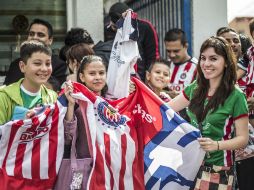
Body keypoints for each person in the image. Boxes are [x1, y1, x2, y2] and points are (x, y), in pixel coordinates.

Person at [168, 36, 249, 189]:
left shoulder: (236, 96)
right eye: (203, 58)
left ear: (226, 62)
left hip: (218, 169)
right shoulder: (195, 88)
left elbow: (243, 139)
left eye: (213, 59)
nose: (206, 64)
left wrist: (217, 145)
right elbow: (166, 109)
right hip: (190, 164)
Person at [0, 40, 58, 124]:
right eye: (37, 63)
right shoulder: (3, 97)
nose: (44, 69)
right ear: (22, 66)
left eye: (48, 64)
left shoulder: (53, 97)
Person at [4, 18, 67, 89]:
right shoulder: (15, 64)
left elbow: (57, 91)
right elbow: (7, 88)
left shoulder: (59, 65)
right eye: (31, 34)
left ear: (50, 40)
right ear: (22, 66)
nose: (34, 37)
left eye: (40, 35)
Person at [107, 2, 160, 82]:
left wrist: (148, 81)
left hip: (141, 78)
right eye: (116, 27)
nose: (118, 29)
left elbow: (153, 57)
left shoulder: (145, 27)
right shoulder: (109, 30)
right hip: (118, 79)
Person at [164, 28, 198, 98]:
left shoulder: (197, 67)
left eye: (176, 51)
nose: (172, 55)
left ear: (186, 46)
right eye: (168, 51)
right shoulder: (164, 65)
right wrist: (167, 93)